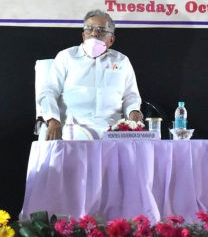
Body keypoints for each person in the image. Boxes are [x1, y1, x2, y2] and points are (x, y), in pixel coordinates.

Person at [37, 10, 143, 140]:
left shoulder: (121, 61)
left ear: (111, 39)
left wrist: (134, 112)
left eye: (101, 30)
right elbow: (48, 92)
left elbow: (131, 96)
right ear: (83, 36)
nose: (94, 34)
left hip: (112, 130)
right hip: (73, 129)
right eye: (89, 29)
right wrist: (53, 120)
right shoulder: (67, 57)